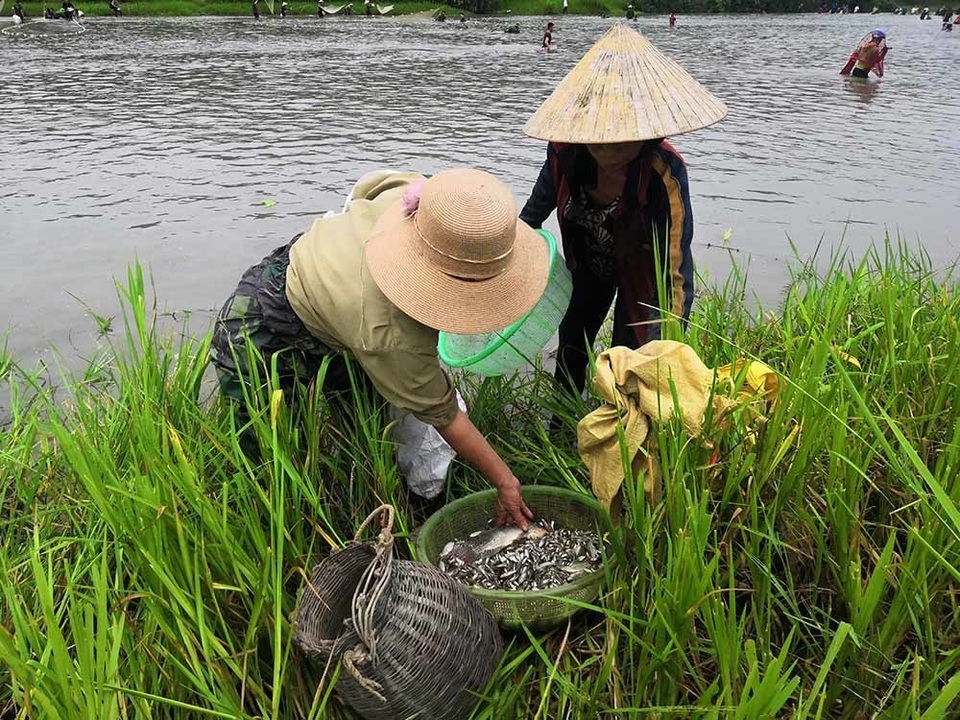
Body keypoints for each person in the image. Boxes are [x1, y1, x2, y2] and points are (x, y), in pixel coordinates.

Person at [210, 169, 548, 529]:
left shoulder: (417, 201)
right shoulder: (390, 333)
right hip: (260, 328)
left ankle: (366, 491)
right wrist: (505, 480)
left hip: (326, 289)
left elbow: (367, 186)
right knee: (267, 457)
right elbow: (443, 414)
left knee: (366, 423)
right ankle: (268, 531)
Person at [519, 24, 726, 398]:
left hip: (641, 271)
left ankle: (620, 432)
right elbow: (533, 213)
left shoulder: (664, 174)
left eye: (620, 141)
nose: (606, 150)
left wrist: (668, 341)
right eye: (597, 139)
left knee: (629, 357)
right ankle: (563, 425)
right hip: (586, 265)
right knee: (571, 344)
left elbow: (676, 267)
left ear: (648, 134)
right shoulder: (565, 152)